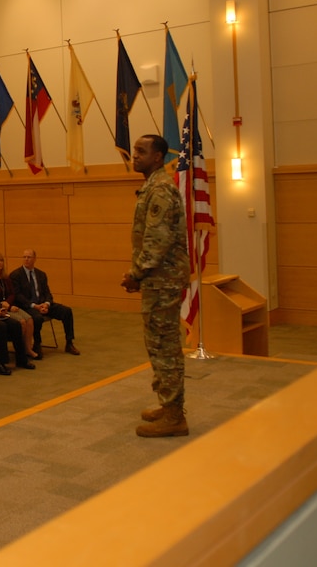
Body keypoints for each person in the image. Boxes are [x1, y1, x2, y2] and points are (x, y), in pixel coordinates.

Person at [121, 134, 190, 438]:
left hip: (162, 280)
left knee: (164, 346)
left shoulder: (160, 190)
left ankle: (175, 416)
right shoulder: (153, 186)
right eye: (134, 151)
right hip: (158, 279)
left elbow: (157, 240)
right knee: (160, 343)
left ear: (158, 156)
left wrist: (136, 274)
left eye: (141, 151)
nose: (134, 156)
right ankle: (168, 403)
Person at [10, 249, 80, 356]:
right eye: (24, 257)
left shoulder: (41, 274)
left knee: (66, 311)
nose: (26, 259)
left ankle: (69, 343)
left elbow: (47, 293)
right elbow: (18, 296)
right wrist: (35, 306)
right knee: (37, 318)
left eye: (29, 257)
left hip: (43, 304)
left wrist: (46, 304)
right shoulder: (16, 275)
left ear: (34, 259)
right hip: (28, 306)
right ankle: (37, 344)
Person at [0, 251, 38, 361]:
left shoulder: (6, 278)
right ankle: (19, 350)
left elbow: (13, 293)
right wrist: (5, 305)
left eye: (1, 260)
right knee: (21, 322)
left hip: (10, 305)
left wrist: (8, 303)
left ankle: (28, 348)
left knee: (29, 319)